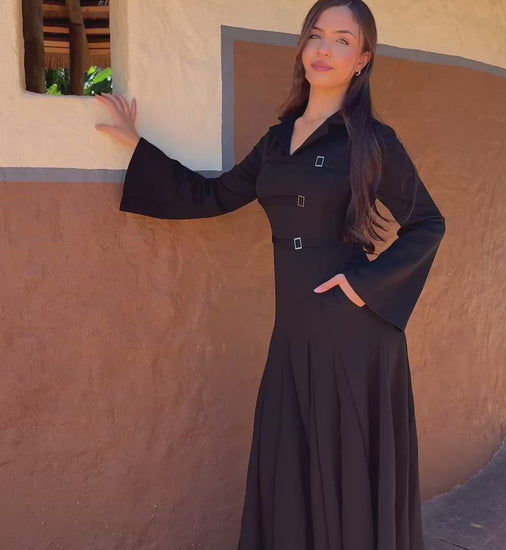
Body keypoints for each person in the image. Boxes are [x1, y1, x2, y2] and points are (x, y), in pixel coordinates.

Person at [95, 0, 446, 548]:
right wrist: (136, 144)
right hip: (295, 327)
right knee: (294, 458)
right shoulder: (278, 140)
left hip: (353, 330)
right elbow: (212, 196)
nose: (324, 49)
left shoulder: (372, 141)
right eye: (316, 35)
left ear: (362, 59)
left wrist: (365, 285)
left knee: (345, 463)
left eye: (343, 40)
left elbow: (428, 223)